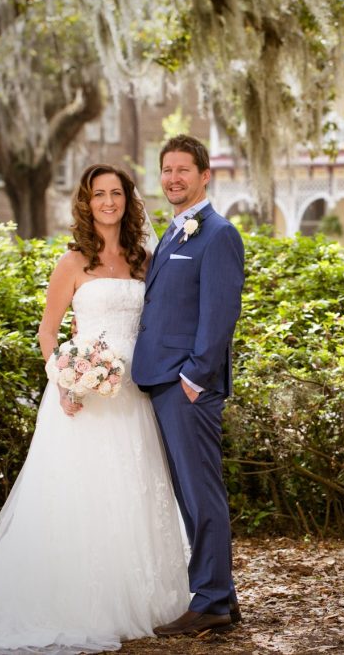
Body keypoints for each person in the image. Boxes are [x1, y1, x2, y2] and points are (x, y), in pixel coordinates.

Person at [0, 164, 189, 653]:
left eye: (116, 193)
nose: (108, 202)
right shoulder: (72, 262)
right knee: (80, 498)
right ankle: (80, 602)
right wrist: (64, 379)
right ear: (86, 203)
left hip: (132, 396)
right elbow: (48, 333)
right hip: (80, 397)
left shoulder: (145, 260)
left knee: (133, 491)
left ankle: (139, 598)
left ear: (129, 199)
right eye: (98, 194)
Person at [132, 134, 245, 635]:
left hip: (187, 386)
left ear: (204, 175)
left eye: (183, 169)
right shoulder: (174, 233)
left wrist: (194, 379)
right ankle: (221, 595)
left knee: (202, 496)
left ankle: (213, 603)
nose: (173, 178)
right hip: (160, 381)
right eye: (166, 170)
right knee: (189, 495)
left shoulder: (218, 234)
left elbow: (220, 315)